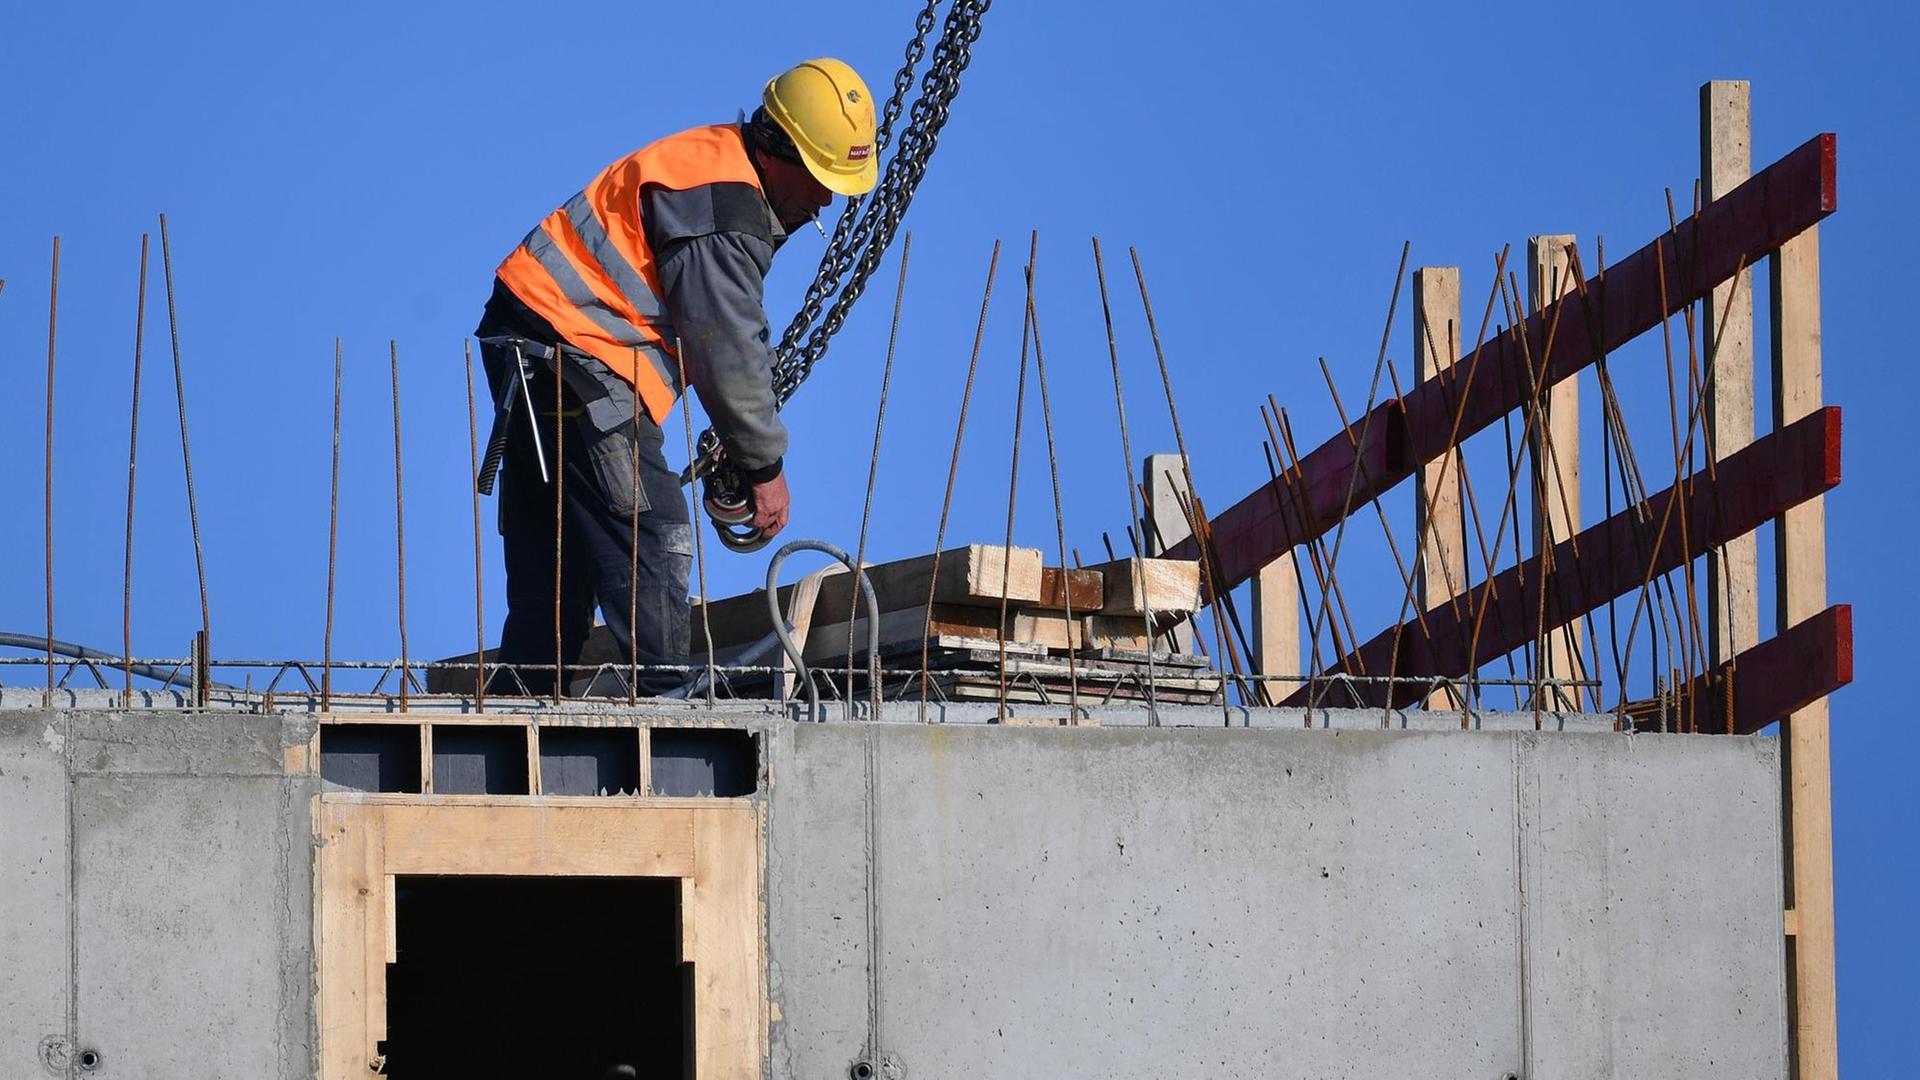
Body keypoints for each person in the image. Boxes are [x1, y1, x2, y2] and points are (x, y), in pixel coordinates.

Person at [474, 58, 879, 696]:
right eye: (821, 177)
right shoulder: (725, 208)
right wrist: (765, 468)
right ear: (777, 151)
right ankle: (670, 718)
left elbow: (727, 330)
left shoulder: (713, 166)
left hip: (529, 343)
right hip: (576, 356)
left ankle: (512, 716)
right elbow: (723, 346)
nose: (826, 198)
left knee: (560, 577)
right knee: (653, 540)